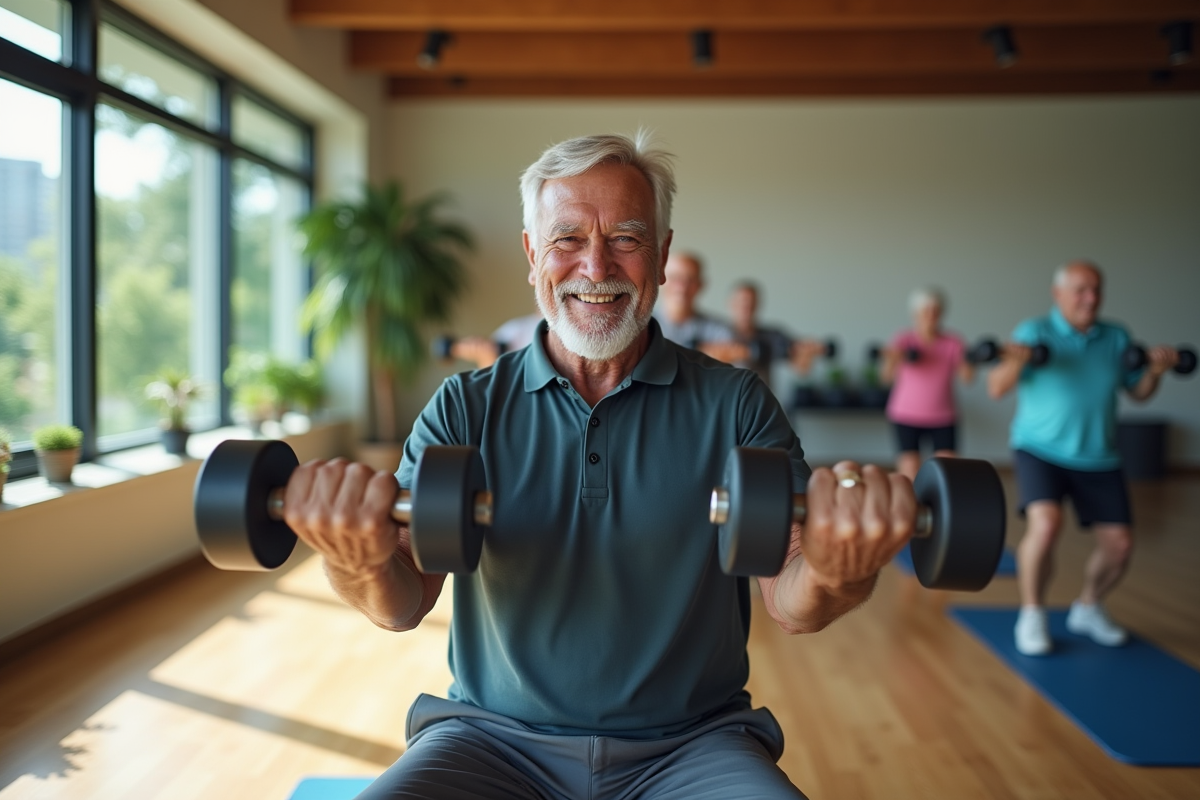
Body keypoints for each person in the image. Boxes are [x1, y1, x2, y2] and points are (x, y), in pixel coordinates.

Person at [279, 132, 918, 798]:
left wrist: (837, 570)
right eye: (566, 240)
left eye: (627, 239)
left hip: (692, 747)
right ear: (533, 255)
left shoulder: (736, 404)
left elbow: (795, 607)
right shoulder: (465, 407)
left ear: (663, 256)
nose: (595, 267)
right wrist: (353, 558)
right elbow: (401, 603)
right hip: (490, 741)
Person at [987, 260, 1179, 657]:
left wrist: (1156, 372)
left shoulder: (1116, 337)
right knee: (1046, 526)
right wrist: (1016, 361)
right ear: (1058, 294)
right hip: (1039, 449)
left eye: (1096, 290)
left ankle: (1088, 607)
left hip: (1098, 455)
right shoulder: (1034, 332)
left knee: (1120, 545)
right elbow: (995, 388)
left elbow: (1138, 393)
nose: (1090, 298)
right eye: (1080, 290)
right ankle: (1032, 614)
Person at [879, 287, 973, 481]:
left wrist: (969, 360)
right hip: (905, 414)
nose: (931, 315)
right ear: (915, 313)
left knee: (947, 471)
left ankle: (943, 510)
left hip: (943, 416)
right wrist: (891, 358)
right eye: (926, 310)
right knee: (909, 469)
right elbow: (885, 378)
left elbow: (968, 378)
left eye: (935, 310)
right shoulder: (903, 340)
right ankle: (911, 510)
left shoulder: (953, 342)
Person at [727, 279, 829, 388]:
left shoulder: (772, 336)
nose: (746, 309)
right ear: (731, 304)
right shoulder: (719, 337)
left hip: (761, 400)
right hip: (729, 401)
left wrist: (807, 353)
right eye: (742, 303)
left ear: (758, 305)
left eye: (751, 303)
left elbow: (801, 369)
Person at [653, 251, 746, 363]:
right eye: (674, 278)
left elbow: (736, 370)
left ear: (701, 285)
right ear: (660, 280)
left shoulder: (720, 331)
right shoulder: (640, 328)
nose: (682, 287)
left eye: (690, 279)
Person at [443, 310, 542, 369]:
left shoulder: (507, 332)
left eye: (474, 342)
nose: (475, 344)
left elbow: (537, 320)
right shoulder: (492, 377)